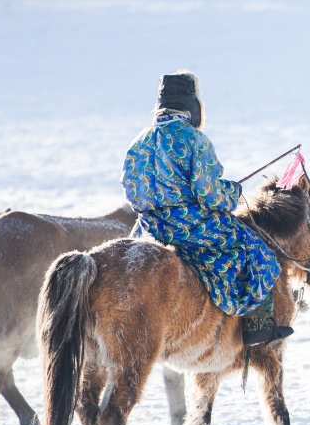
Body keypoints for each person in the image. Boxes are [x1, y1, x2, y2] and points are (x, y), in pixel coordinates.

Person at [121, 72, 292, 346]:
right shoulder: (194, 139)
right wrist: (232, 192)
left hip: (149, 226)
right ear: (191, 104)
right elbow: (209, 194)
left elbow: (130, 189)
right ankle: (257, 326)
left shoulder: (139, 141)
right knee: (259, 252)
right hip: (191, 225)